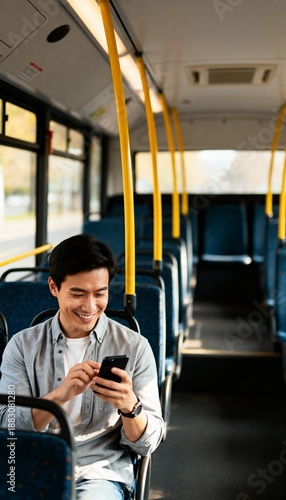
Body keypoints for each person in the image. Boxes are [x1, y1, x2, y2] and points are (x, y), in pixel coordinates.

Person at [0, 234, 164, 499]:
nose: (90, 306)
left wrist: (131, 407)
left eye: (100, 294)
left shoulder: (135, 347)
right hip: (29, 465)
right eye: (78, 294)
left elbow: (148, 444)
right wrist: (59, 395)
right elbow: (7, 422)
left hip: (97, 472)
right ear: (54, 287)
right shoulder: (22, 346)